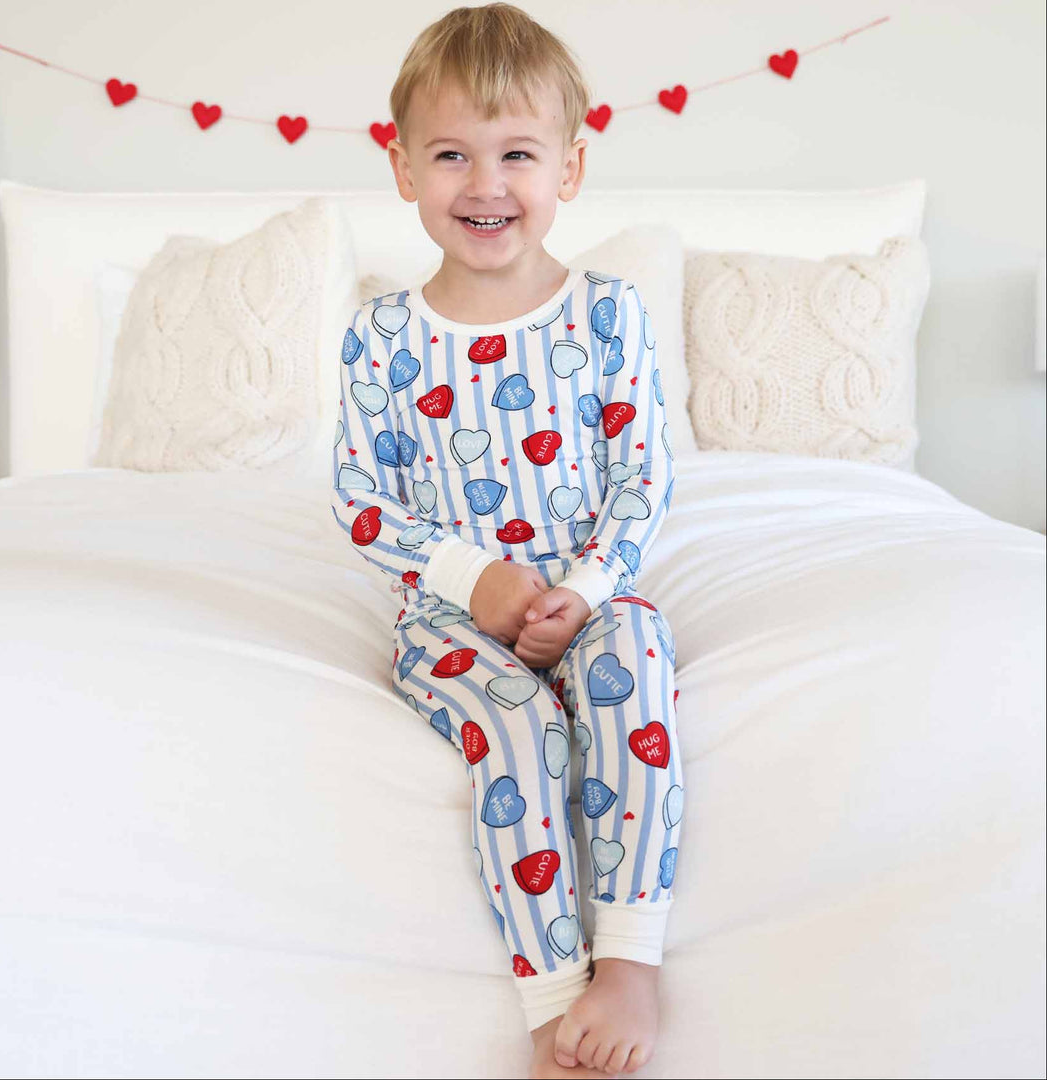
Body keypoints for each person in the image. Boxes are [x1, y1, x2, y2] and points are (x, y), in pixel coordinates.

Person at [330, 5, 683, 1076]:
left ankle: (629, 959)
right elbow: (360, 497)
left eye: (516, 154)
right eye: (451, 155)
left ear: (569, 170)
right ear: (402, 170)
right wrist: (471, 579)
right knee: (519, 721)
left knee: (634, 664)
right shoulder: (382, 333)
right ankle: (549, 1002)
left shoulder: (610, 314)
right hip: (449, 616)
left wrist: (581, 590)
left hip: (586, 593)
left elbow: (644, 478)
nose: (485, 185)